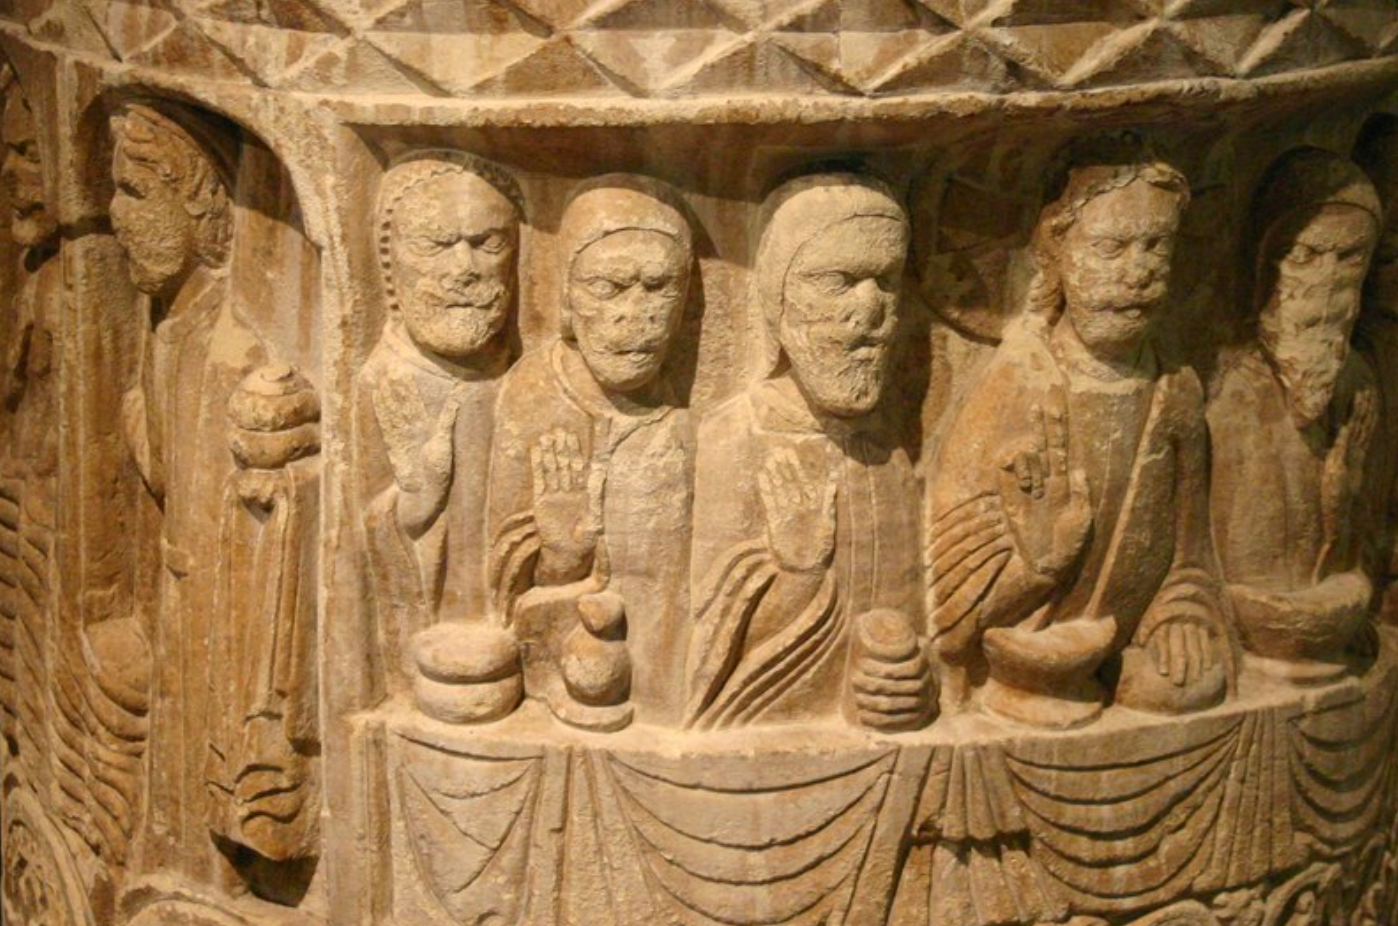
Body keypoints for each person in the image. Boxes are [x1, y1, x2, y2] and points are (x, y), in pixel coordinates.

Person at [928, 145, 1230, 728]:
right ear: (1056, 255)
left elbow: (1191, 554)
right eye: (1110, 248)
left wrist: (1179, 615)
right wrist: (1038, 566)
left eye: (1157, 246)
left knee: (1185, 686)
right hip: (1017, 654)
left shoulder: (1175, 389)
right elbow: (947, 599)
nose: (1138, 272)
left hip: (1125, 652)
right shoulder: (1017, 384)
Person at [684, 172, 934, 732]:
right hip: (759, 743)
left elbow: (912, 618)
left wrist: (913, 681)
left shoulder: (887, 449)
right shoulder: (734, 436)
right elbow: (705, 651)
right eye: (837, 281)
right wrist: (799, 574)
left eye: (886, 281)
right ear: (778, 300)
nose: (870, 310)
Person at [487, 174, 693, 727]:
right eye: (608, 287)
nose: (636, 313)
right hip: (561, 685)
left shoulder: (686, 420)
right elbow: (495, 593)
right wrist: (562, 556)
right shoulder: (533, 394)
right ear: (567, 298)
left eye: (659, 287)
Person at [1210, 148, 1383, 683]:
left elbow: (1356, 535)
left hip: (1324, 608)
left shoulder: (1356, 379)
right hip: (1253, 612)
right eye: (1304, 255)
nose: (1326, 282)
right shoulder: (1232, 389)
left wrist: (1342, 487)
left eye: (1349, 258)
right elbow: (1235, 554)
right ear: (1262, 264)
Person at [354, 151, 522, 693]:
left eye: (487, 243)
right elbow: (344, 565)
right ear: (391, 266)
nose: (464, 269)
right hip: (425, 666)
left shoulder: (530, 383)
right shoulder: (383, 384)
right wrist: (412, 507)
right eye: (436, 244)